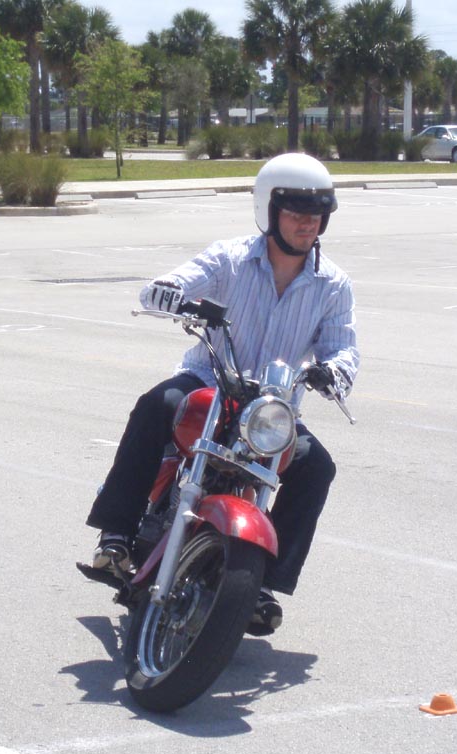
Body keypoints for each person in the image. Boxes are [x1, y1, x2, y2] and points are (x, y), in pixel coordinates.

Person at [84, 153, 359, 636]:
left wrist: (333, 372)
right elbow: (164, 287)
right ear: (269, 210)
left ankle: (263, 584)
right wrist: (172, 295)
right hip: (208, 382)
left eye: (317, 213)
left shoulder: (333, 284)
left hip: (269, 407)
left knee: (317, 466)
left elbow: (343, 348)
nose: (307, 223)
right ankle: (117, 534)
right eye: (296, 211)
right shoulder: (229, 258)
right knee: (157, 405)